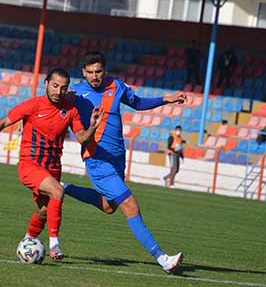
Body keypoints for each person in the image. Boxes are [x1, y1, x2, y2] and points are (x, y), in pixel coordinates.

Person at [60, 52, 186, 273]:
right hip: (96, 159)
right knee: (130, 205)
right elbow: (55, 110)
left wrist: (166, 99)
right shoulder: (75, 94)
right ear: (83, 72)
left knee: (109, 206)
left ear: (105, 71)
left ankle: (63, 188)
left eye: (98, 71)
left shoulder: (116, 86)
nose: (94, 76)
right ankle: (162, 258)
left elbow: (137, 102)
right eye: (89, 72)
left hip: (117, 158)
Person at [0, 68, 103, 260]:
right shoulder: (32, 105)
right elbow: (2, 122)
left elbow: (82, 138)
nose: (58, 91)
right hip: (29, 165)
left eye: (63, 88)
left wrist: (93, 127)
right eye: (55, 86)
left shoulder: (70, 110)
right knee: (58, 191)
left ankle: (28, 240)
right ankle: (54, 243)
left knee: (43, 212)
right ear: (46, 84)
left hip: (53, 167)